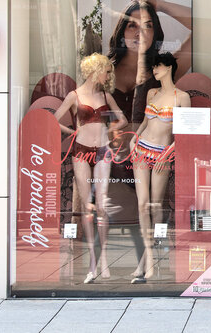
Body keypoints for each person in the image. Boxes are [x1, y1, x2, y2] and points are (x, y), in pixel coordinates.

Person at [54, 53, 127, 283]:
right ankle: (92, 262)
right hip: (81, 151)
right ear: (95, 70)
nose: (108, 76)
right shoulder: (74, 96)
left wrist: (111, 129)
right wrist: (72, 132)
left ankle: (104, 258)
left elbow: (123, 119)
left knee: (102, 203)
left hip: (103, 149)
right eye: (106, 71)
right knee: (88, 206)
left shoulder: (105, 95)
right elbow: (54, 119)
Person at [129, 52, 190, 283]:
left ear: (170, 68)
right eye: (154, 66)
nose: (155, 69)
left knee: (156, 205)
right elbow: (146, 122)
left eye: (159, 66)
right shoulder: (152, 93)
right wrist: (134, 138)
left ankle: (149, 261)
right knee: (142, 204)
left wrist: (170, 151)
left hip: (163, 154)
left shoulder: (181, 97)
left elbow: (185, 133)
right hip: (142, 149)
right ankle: (147, 258)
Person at [107, 0, 192, 123]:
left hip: (149, 142)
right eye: (132, 25)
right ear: (122, 31)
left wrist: (160, 5)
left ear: (154, 33)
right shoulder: (103, 69)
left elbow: (203, 27)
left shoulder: (166, 70)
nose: (140, 33)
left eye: (147, 26)